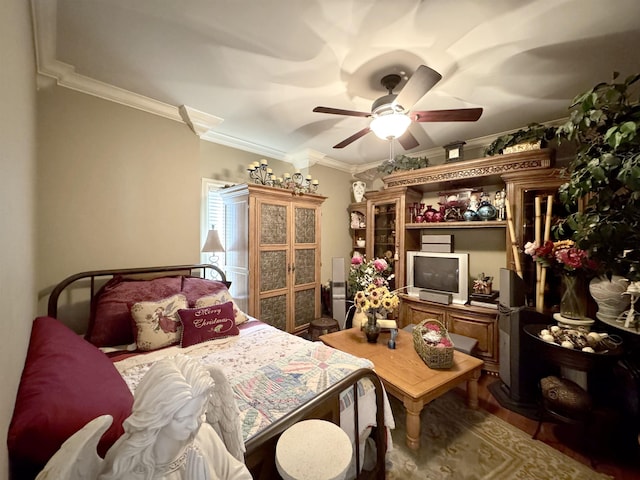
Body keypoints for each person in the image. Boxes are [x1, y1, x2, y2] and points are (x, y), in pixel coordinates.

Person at [98, 355, 251, 480]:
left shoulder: (204, 435)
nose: (192, 425)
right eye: (182, 419)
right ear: (158, 415)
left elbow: (240, 476)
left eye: (198, 414)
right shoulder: (128, 463)